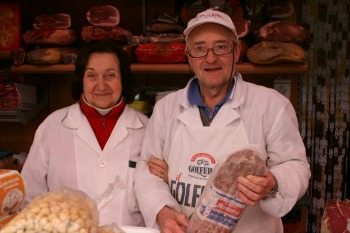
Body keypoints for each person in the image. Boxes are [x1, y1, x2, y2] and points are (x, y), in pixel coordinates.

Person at [135, 8, 311, 233]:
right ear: (189, 56)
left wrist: (273, 181)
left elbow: (295, 165)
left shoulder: (271, 105)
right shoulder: (165, 108)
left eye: (221, 47)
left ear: (236, 52)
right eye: (200, 49)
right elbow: (146, 170)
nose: (210, 58)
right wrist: (162, 210)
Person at [21, 39, 148, 227]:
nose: (101, 85)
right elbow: (29, 194)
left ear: (124, 79)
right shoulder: (53, 125)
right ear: (81, 80)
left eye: (110, 75)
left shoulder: (146, 129)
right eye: (92, 76)